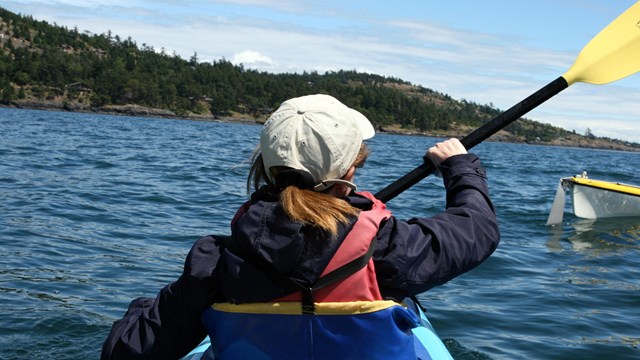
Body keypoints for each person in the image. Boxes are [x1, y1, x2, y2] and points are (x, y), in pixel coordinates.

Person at [101, 94, 500, 359]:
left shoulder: (216, 261)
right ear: (350, 169)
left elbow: (129, 352)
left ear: (265, 167)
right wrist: (458, 167)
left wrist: (145, 310)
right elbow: (476, 228)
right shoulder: (391, 249)